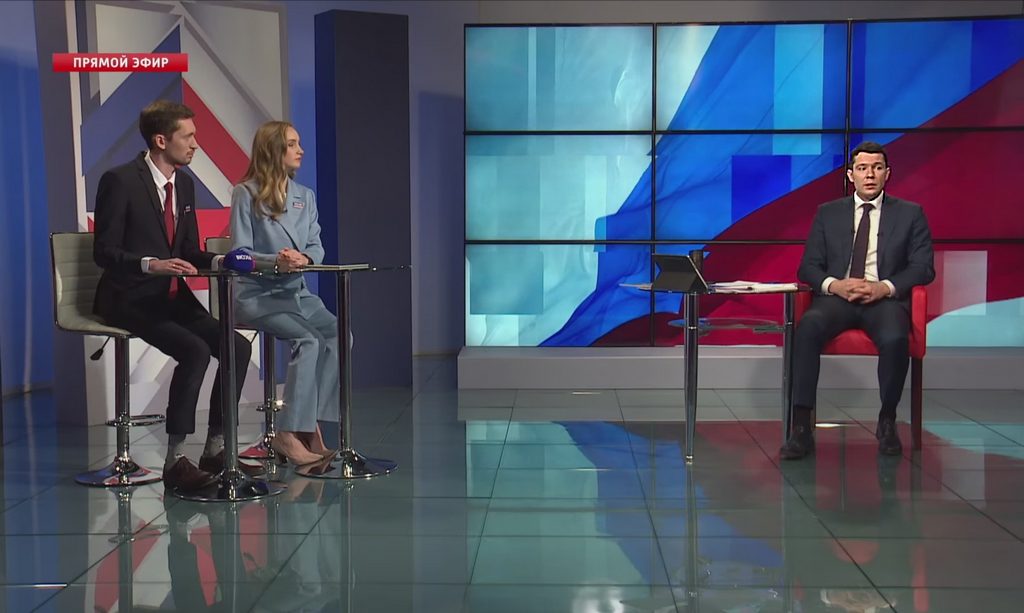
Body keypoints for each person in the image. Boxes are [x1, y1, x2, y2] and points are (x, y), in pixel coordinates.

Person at [93, 100, 262, 490]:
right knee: (195, 350)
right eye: (188, 137)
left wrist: (221, 260)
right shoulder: (120, 181)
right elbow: (103, 252)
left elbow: (187, 249)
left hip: (171, 298)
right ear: (160, 140)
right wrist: (151, 264)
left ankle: (216, 449)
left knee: (236, 347)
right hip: (129, 296)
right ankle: (175, 461)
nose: (195, 145)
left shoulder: (184, 185)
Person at [781, 141, 935, 460]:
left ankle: (887, 420)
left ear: (887, 173)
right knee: (807, 329)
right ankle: (801, 426)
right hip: (837, 299)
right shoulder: (828, 213)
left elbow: (923, 268)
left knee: (895, 338)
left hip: (884, 301)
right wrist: (835, 285)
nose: (870, 175)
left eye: (877, 168)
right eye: (862, 168)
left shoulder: (910, 214)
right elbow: (808, 267)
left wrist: (885, 288)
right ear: (851, 175)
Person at [230, 121, 338, 465]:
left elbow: (316, 246)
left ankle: (309, 423)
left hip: (297, 292)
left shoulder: (305, 196)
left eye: (299, 143)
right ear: (272, 150)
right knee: (309, 340)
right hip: (258, 294)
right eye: (292, 144)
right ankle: (288, 434)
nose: (300, 150)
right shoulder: (245, 194)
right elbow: (239, 254)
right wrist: (274, 261)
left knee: (338, 335)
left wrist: (305, 259)